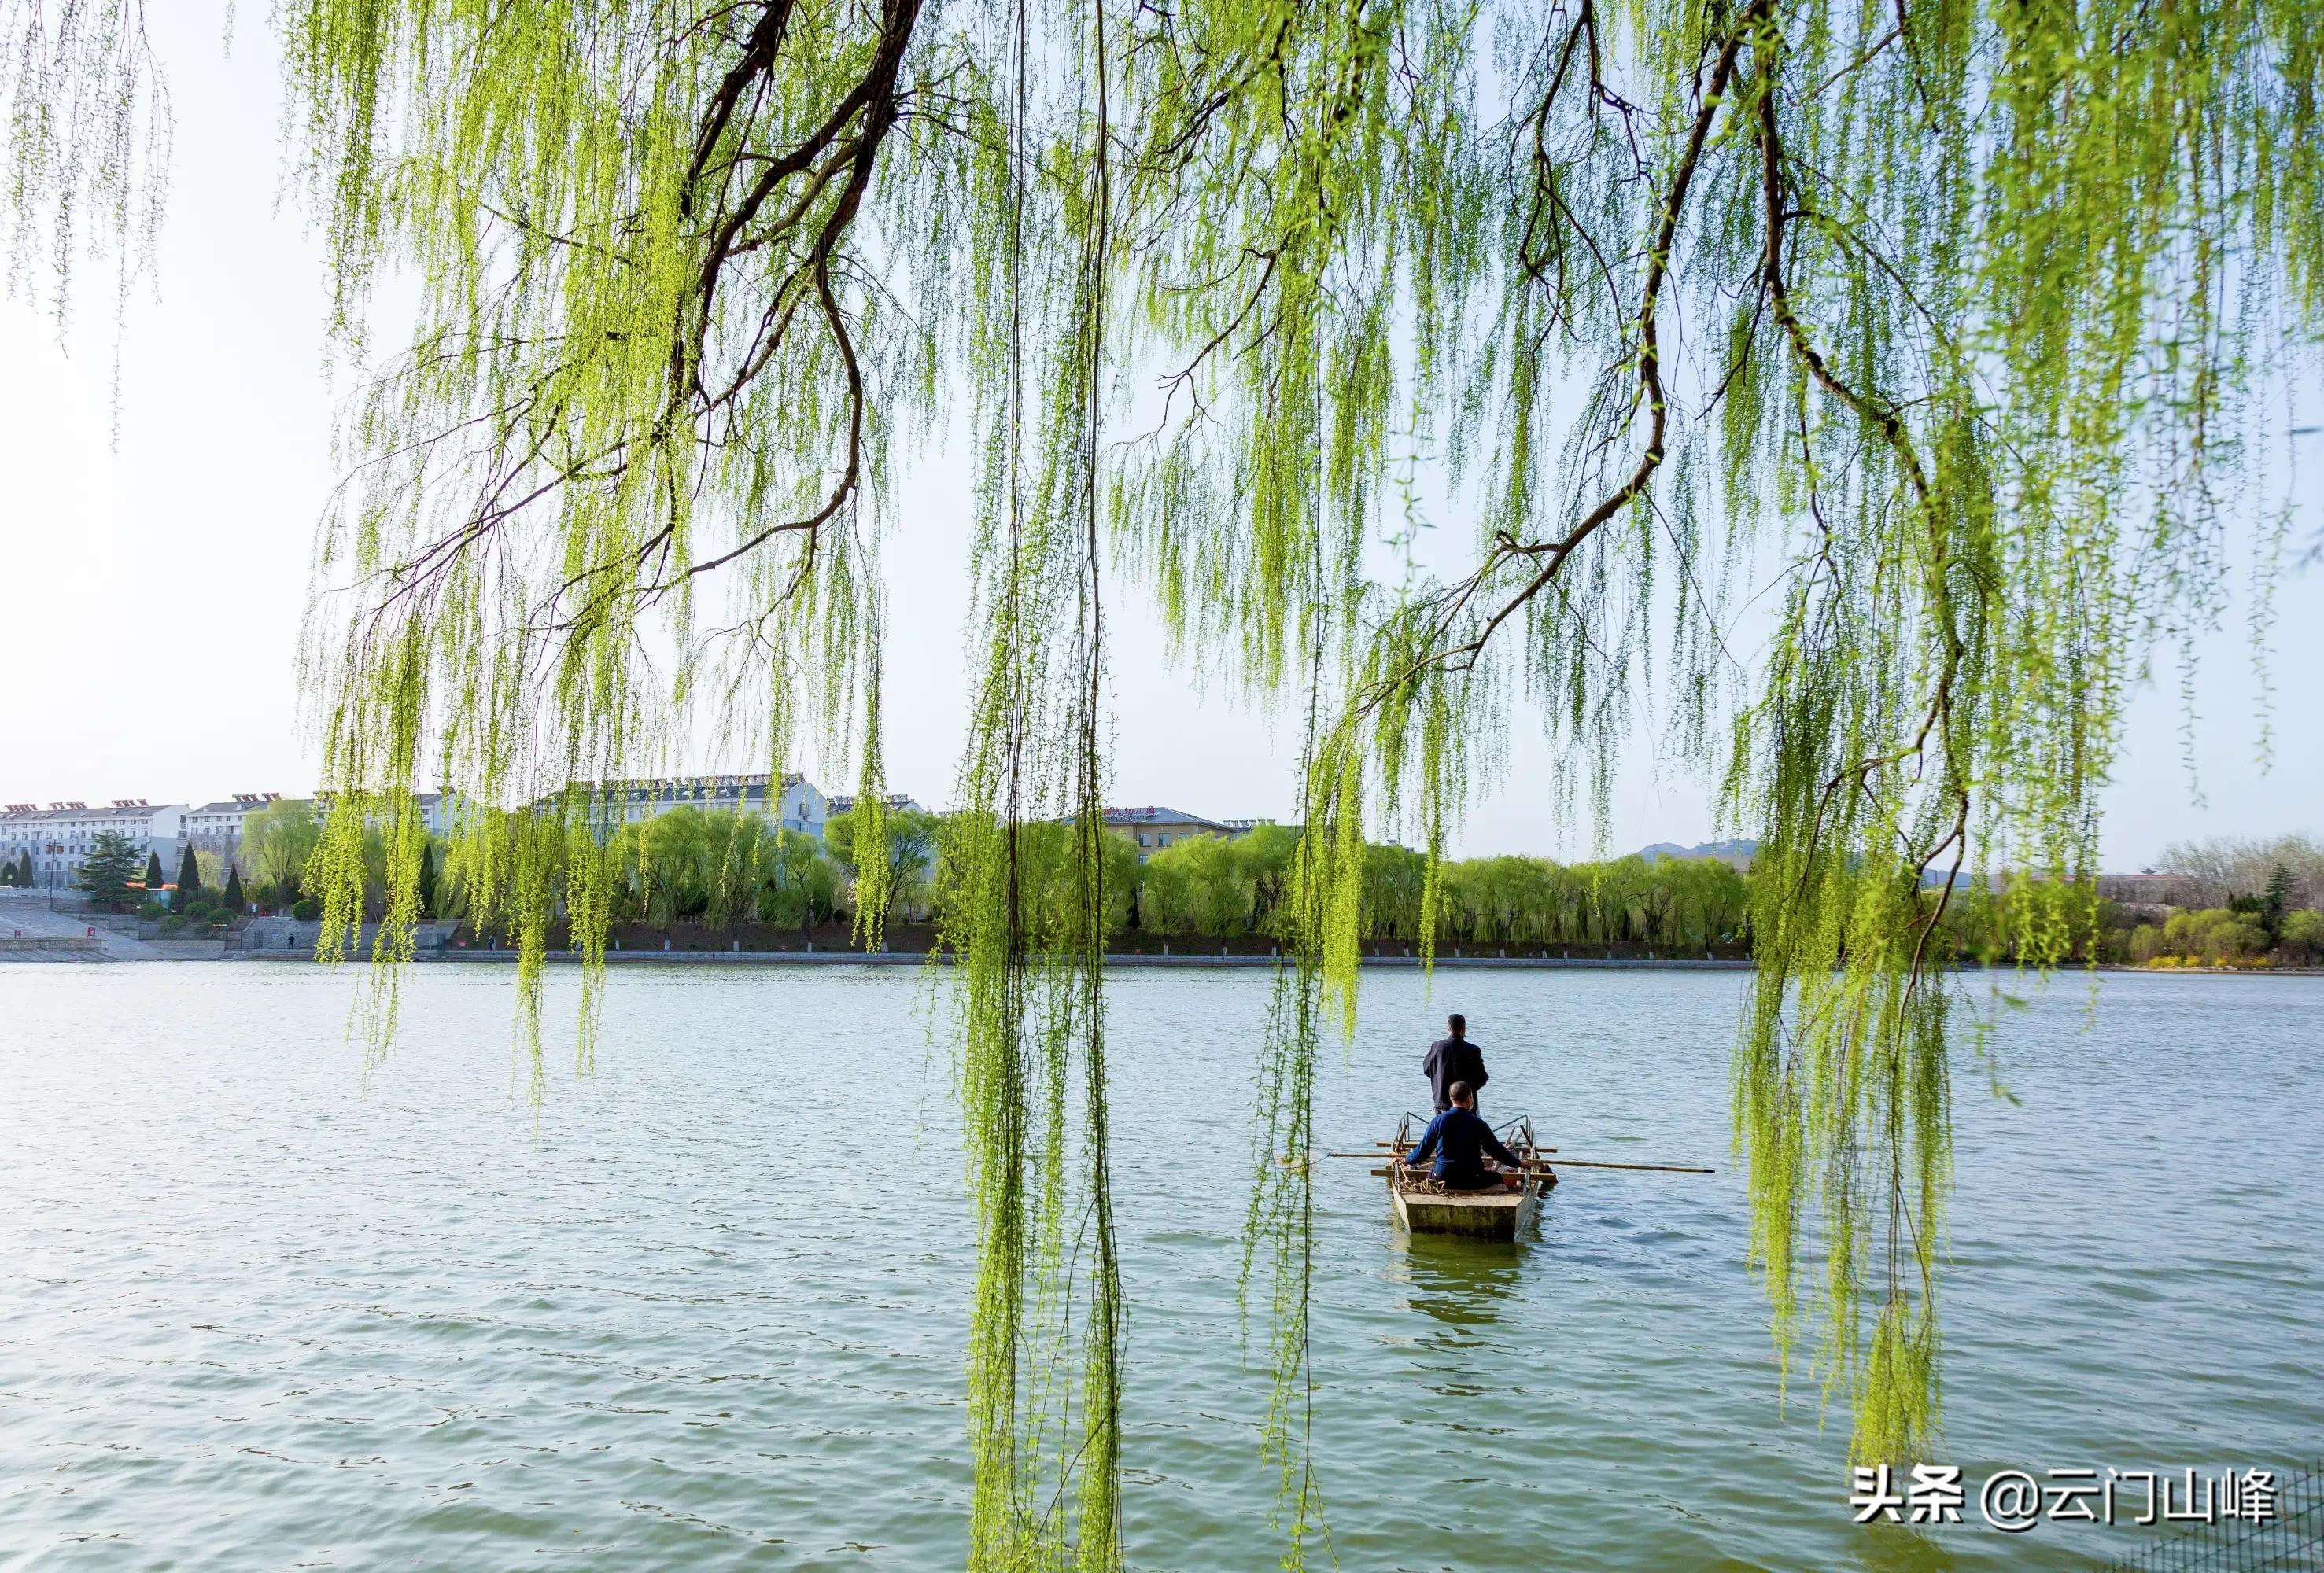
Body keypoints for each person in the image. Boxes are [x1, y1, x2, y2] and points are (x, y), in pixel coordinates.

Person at [1394, 1082, 1521, 1191]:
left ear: (1451, 1099)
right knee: (1497, 1177)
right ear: (1470, 1099)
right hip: (1472, 1179)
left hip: (1442, 1177)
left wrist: (1405, 1159)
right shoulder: (1479, 1123)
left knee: (1431, 1176)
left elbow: (1422, 1152)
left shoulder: (1437, 1121)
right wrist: (1519, 1163)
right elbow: (1496, 1151)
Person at [1422, 1012, 1488, 1115]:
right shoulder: (1472, 1050)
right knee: (1473, 1130)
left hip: (1442, 1104)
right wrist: (1469, 1089)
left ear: (1448, 1027)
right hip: (1467, 1106)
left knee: (1442, 1129)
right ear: (1464, 1028)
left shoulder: (1436, 1047)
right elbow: (1482, 1078)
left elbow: (1427, 1070)